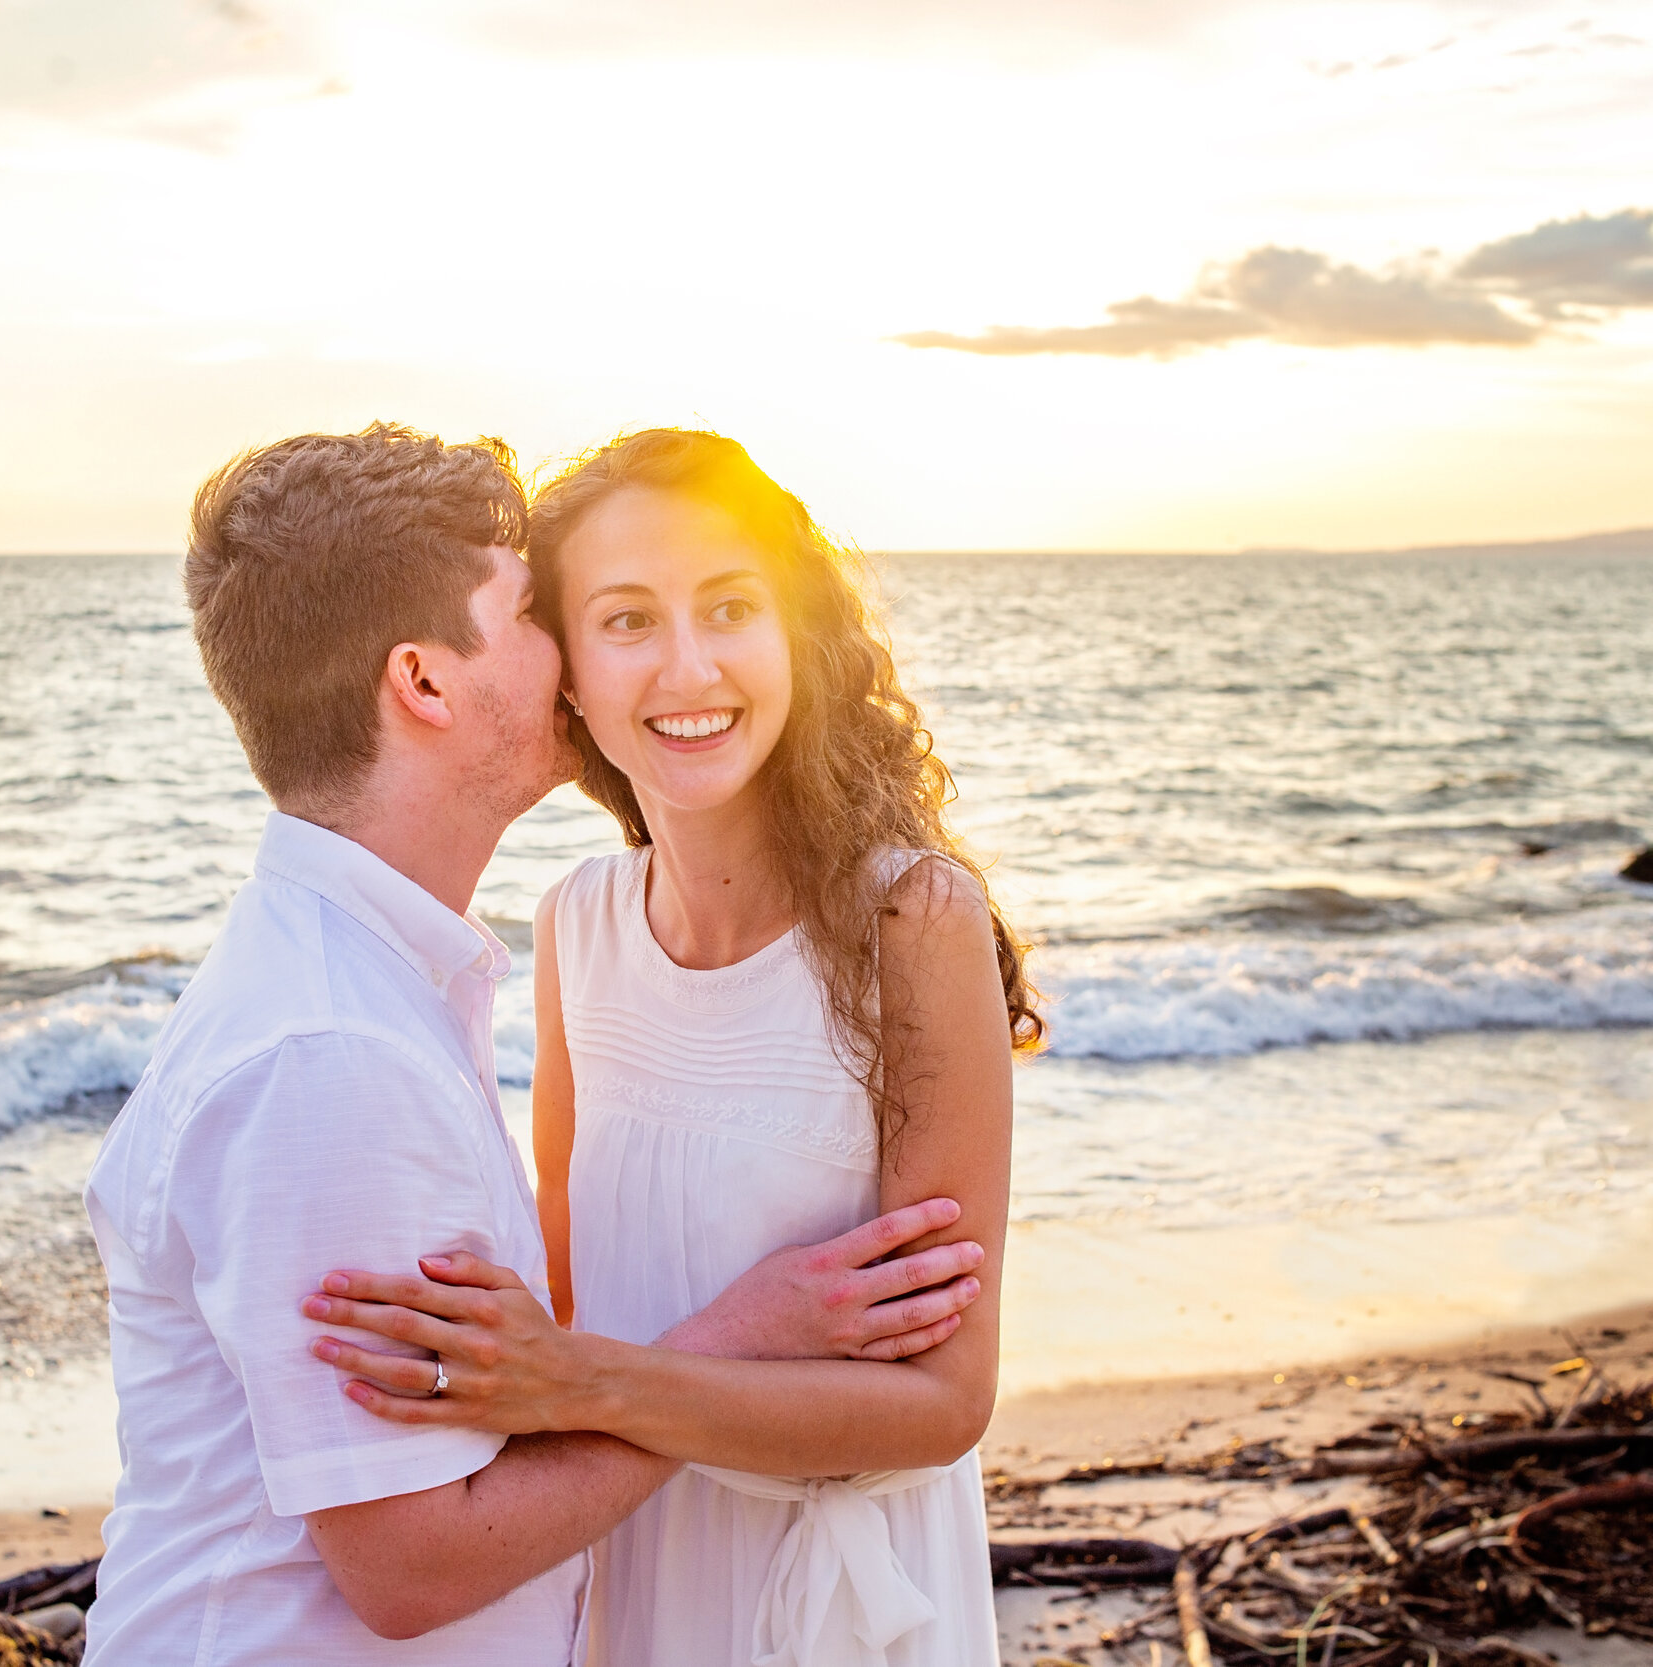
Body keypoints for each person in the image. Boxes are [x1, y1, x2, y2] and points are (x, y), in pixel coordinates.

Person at [80, 424, 989, 1667]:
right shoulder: (342, 1042)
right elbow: (420, 1546)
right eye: (558, 614)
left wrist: (589, 1378)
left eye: (729, 606)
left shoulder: (408, 983)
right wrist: (724, 1334)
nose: (597, 657)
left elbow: (544, 1368)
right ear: (426, 681)